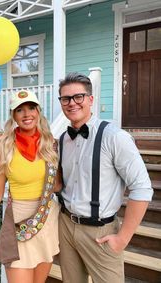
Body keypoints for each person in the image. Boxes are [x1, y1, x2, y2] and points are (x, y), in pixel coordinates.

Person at [57, 72, 153, 283]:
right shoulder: (63, 139)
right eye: (65, 98)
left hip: (100, 232)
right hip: (65, 224)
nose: (72, 103)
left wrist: (123, 238)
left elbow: (142, 188)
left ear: (91, 99)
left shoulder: (115, 137)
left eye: (78, 97)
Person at [0, 90, 60, 283]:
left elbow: (57, 185)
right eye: (20, 110)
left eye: (31, 108)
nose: (27, 114)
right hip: (19, 224)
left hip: (47, 218)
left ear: (38, 111)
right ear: (13, 115)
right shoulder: (4, 147)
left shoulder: (50, 144)